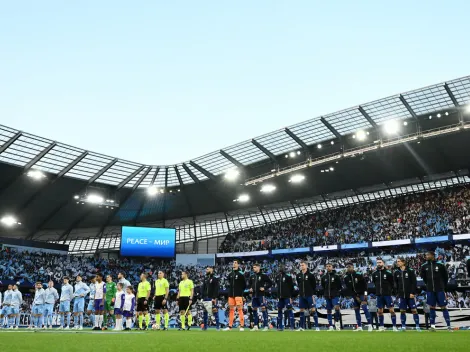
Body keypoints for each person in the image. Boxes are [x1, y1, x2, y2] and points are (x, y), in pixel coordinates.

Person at [420, 251, 452, 331]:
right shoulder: (424, 266)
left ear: (433, 255)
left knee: (443, 307)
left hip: (440, 289)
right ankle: (433, 326)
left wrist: (442, 287)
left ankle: (448, 326)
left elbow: (445, 277)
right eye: (426, 255)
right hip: (430, 290)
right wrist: (428, 285)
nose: (426, 256)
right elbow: (424, 278)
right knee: (431, 307)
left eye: (428, 255)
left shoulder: (440, 265)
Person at [343, 262, 372, 332]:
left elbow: (365, 286)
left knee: (365, 308)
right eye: (347, 267)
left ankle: (370, 325)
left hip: (362, 294)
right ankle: (359, 326)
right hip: (355, 296)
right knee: (356, 310)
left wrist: (365, 295)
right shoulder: (346, 277)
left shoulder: (359, 274)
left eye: (350, 266)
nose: (348, 268)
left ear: (353, 267)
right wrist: (355, 297)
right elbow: (349, 289)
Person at [394, 257, 420, 331]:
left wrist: (412, 292)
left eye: (399, 261)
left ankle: (417, 326)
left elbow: (414, 283)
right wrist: (397, 293)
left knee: (414, 310)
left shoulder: (410, 271)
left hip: (410, 295)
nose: (397, 263)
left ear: (403, 262)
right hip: (402, 295)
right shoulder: (396, 272)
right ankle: (403, 326)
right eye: (397, 261)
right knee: (402, 311)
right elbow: (395, 283)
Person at [371, 259, 397, 331]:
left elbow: (392, 283)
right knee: (380, 311)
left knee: (391, 310)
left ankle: (394, 326)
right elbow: (374, 283)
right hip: (379, 295)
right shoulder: (374, 274)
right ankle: (381, 326)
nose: (378, 264)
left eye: (380, 262)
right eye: (377, 263)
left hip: (387, 295)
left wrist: (389, 291)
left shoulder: (388, 273)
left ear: (383, 263)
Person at [295, 261, 319, 331]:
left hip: (309, 295)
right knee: (301, 310)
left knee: (313, 309)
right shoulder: (298, 275)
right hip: (301, 295)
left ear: (306, 266)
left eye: (303, 265)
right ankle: (301, 327)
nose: (301, 266)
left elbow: (314, 285)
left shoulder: (311, 275)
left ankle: (317, 327)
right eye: (301, 265)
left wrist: (310, 292)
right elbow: (299, 284)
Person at [223, 259, 246, 331]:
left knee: (239, 309)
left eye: (235, 263)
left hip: (238, 294)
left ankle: (242, 326)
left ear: (238, 264)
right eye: (233, 263)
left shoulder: (241, 274)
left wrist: (241, 293)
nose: (234, 264)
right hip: (231, 294)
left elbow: (244, 285)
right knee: (231, 310)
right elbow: (228, 283)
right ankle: (230, 326)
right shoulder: (230, 274)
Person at [248, 263, 272, 331]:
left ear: (258, 267)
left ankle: (266, 326)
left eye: (255, 267)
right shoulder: (252, 276)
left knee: (263, 309)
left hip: (261, 295)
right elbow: (249, 284)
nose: (253, 268)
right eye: (253, 267)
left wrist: (264, 288)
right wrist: (250, 288)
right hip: (254, 295)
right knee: (254, 310)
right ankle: (256, 326)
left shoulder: (263, 276)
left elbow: (270, 283)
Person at [321, 263, 342, 331]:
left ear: (332, 267)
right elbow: (323, 286)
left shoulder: (336, 276)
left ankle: (337, 323)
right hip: (327, 295)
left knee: (336, 308)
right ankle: (330, 326)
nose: (328, 267)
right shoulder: (324, 277)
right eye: (327, 266)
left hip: (335, 295)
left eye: (329, 266)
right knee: (328, 310)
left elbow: (339, 286)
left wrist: (335, 292)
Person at [276, 265, 294, 331]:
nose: (281, 269)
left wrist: (290, 296)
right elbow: (278, 287)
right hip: (280, 297)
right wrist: (277, 296)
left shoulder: (288, 277)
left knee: (289, 310)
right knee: (279, 310)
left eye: (282, 268)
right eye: (280, 268)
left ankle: (292, 326)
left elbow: (291, 287)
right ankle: (280, 327)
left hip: (287, 296)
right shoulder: (277, 277)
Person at [201, 266, 219, 331]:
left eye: (207, 269)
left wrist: (214, 297)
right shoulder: (205, 279)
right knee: (205, 313)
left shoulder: (215, 279)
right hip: (205, 298)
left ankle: (217, 327)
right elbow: (203, 288)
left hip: (211, 298)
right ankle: (205, 327)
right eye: (206, 269)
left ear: (211, 270)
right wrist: (202, 297)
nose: (206, 270)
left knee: (215, 311)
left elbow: (216, 289)